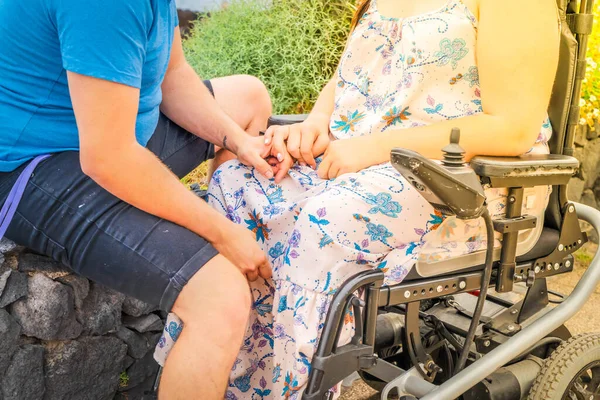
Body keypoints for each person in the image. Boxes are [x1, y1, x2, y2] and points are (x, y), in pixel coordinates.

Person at [156, 0, 561, 398]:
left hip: (463, 184)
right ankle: (224, 379)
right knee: (239, 181)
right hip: (361, 164)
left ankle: (290, 390)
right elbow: (355, 77)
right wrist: (314, 125)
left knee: (326, 219)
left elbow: (512, 128)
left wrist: (371, 149)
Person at [0, 0, 279, 399]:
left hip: (107, 132)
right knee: (221, 296)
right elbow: (109, 158)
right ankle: (208, 278)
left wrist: (237, 140)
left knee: (247, 98)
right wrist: (222, 234)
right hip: (32, 167)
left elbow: (173, 75)